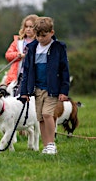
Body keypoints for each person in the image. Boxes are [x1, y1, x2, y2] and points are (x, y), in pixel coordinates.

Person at [19, 17, 70, 155]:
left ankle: (52, 144)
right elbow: (27, 71)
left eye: (44, 35)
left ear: (51, 32)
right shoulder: (31, 48)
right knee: (40, 118)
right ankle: (46, 145)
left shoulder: (58, 48)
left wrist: (64, 90)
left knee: (48, 114)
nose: (40, 39)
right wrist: (24, 92)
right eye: (38, 36)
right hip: (37, 89)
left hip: (52, 89)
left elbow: (65, 70)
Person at [5, 14, 38, 96]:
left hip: (33, 75)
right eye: (26, 27)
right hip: (18, 75)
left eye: (31, 27)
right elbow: (8, 55)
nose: (28, 29)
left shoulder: (39, 42)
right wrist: (18, 55)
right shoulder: (18, 41)